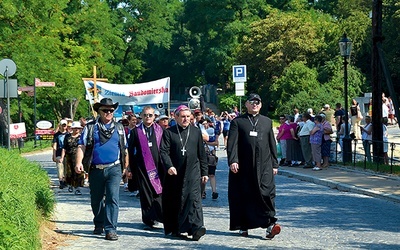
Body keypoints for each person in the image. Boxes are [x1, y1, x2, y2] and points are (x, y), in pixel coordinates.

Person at [227, 93, 281, 239]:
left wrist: (274, 163)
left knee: (267, 193)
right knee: (245, 195)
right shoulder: (238, 122)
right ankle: (243, 225)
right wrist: (233, 161)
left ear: (261, 105)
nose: (255, 104)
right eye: (252, 102)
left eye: (257, 102)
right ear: (246, 104)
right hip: (244, 166)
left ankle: (270, 224)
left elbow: (272, 144)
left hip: (265, 165)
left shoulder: (267, 121)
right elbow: (232, 144)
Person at [75, 98, 128, 241]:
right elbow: (82, 146)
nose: (108, 113)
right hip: (95, 169)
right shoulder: (90, 127)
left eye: (111, 110)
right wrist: (79, 162)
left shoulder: (119, 128)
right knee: (96, 199)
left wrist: (125, 168)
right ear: (99, 111)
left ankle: (111, 229)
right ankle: (99, 222)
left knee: (112, 198)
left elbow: (125, 150)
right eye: (105, 110)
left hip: (114, 168)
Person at [160, 105, 209, 241]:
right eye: (182, 116)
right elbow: (164, 151)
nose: (186, 119)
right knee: (177, 200)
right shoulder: (169, 132)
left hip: (193, 171)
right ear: (176, 118)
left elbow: (201, 153)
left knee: (194, 199)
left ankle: (196, 228)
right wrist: (169, 166)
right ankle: (176, 228)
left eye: (188, 116)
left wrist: (204, 172)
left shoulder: (195, 132)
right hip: (175, 173)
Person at [128, 106, 165, 228]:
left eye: (150, 115)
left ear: (154, 116)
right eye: (145, 115)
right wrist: (130, 168)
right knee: (145, 193)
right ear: (141, 116)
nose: (148, 117)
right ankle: (148, 219)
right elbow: (130, 150)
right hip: (142, 167)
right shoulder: (135, 131)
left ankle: (160, 215)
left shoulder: (160, 130)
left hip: (159, 166)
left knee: (158, 191)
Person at [60, 121, 84, 195]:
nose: (76, 129)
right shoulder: (67, 136)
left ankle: (78, 188)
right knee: (69, 172)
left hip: (78, 157)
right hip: (69, 156)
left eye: (78, 128)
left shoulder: (81, 137)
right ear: (72, 128)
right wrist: (62, 157)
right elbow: (64, 147)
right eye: (75, 128)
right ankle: (70, 185)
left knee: (78, 172)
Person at [52, 119, 69, 189]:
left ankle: (65, 181)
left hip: (67, 153)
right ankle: (61, 181)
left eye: (65, 125)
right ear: (60, 126)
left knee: (66, 168)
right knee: (60, 167)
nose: (64, 127)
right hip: (59, 153)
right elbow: (54, 145)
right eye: (62, 125)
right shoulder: (56, 135)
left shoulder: (68, 135)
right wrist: (54, 155)